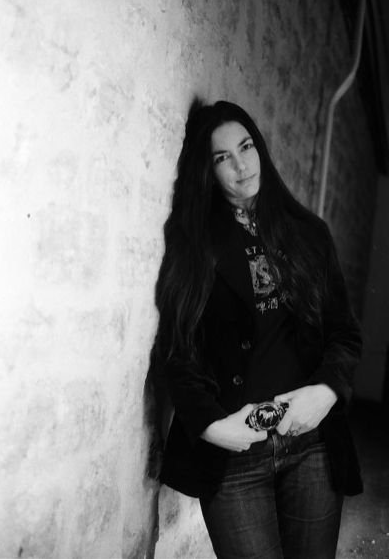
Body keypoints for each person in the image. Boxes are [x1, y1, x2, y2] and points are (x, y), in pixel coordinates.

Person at [152, 100, 363, 559]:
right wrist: (212, 426)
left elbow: (344, 333)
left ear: (259, 148)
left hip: (311, 446)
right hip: (236, 455)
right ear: (207, 171)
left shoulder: (309, 233)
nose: (241, 165)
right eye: (222, 157)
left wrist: (325, 391)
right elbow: (175, 350)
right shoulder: (194, 243)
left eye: (246, 147)